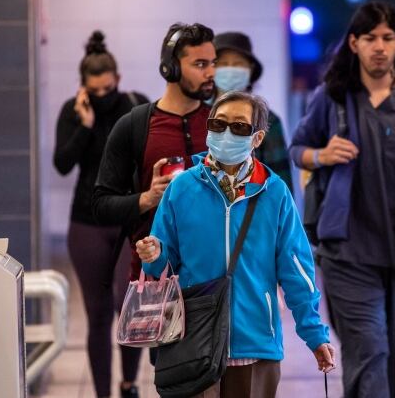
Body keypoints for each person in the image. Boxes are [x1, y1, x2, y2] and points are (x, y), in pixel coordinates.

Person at [289, 0, 395, 398]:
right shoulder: (332, 97)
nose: (379, 47)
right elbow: (298, 147)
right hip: (348, 251)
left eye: (388, 38)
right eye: (370, 38)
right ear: (353, 44)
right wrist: (321, 155)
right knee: (369, 348)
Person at [136, 91, 335, 397]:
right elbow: (164, 261)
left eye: (240, 127)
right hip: (195, 341)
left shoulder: (274, 193)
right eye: (218, 124)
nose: (227, 133)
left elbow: (296, 268)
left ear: (257, 138)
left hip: (256, 341)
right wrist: (153, 255)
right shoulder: (182, 187)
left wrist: (314, 333)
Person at [53, 31, 149, 398]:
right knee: (97, 315)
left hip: (129, 221)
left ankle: (128, 385)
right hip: (87, 222)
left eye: (108, 88)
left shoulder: (136, 107)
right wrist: (85, 125)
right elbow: (62, 164)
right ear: (83, 88)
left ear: (118, 81)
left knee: (129, 305)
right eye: (95, 90)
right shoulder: (73, 112)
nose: (103, 96)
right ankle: (102, 394)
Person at [93, 23, 216, 284]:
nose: (211, 73)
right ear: (170, 68)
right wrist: (147, 198)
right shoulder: (134, 126)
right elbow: (101, 206)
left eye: (213, 63)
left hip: (213, 277)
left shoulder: (219, 123)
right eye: (200, 64)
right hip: (153, 278)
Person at [211, 31, 295, 193]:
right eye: (223, 63)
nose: (230, 69)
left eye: (237, 64)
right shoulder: (198, 114)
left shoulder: (267, 119)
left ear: (250, 70)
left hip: (251, 210)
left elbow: (281, 183)